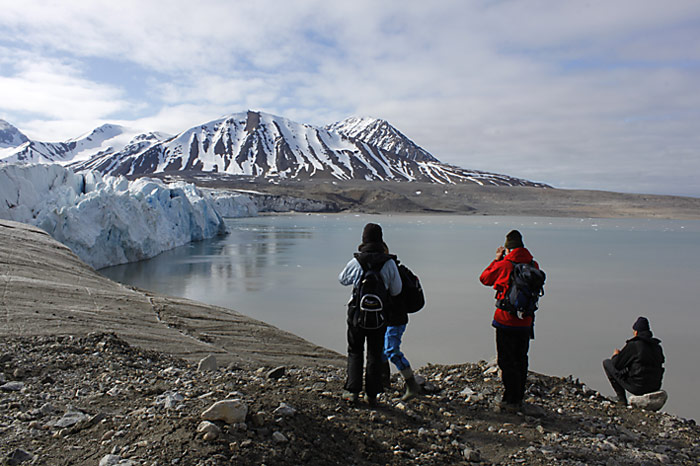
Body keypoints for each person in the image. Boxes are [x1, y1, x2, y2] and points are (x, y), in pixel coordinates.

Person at [479, 230, 543, 416]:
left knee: (506, 360)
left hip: (505, 320)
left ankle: (509, 400)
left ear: (508, 248)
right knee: (521, 359)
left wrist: (497, 260)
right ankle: (518, 398)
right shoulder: (533, 264)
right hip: (526, 321)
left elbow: (485, 278)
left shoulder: (506, 264)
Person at [339, 223, 401, 405]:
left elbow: (342, 279)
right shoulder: (388, 263)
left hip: (356, 314)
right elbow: (397, 290)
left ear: (364, 239)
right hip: (380, 316)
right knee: (374, 353)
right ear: (381, 239)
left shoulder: (357, 261)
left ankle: (352, 391)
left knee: (355, 351)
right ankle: (372, 394)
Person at [382, 247, 421, 402]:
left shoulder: (393, 270)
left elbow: (396, 292)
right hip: (388, 317)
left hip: (395, 318)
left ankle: (411, 385)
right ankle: (383, 382)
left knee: (391, 350)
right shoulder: (394, 268)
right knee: (381, 350)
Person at [603, 316, 665, 405]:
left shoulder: (634, 345)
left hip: (638, 387)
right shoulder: (657, 347)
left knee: (607, 363)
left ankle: (621, 399)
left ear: (636, 332)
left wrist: (616, 355)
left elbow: (617, 364)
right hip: (655, 386)